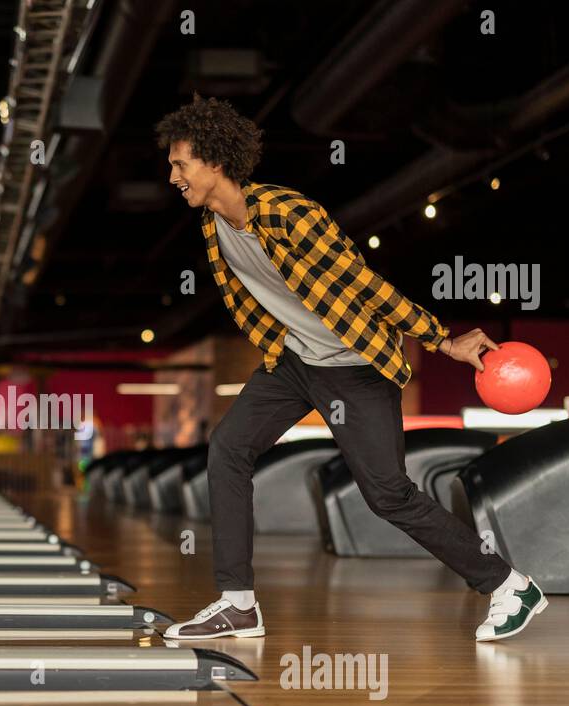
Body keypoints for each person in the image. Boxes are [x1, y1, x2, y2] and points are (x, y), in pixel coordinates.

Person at [154, 94, 547, 643]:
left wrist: (440, 340)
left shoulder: (288, 213)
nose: (173, 175)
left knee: (387, 493)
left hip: (354, 364)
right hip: (293, 360)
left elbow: (363, 284)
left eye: (180, 163)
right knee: (228, 449)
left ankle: (509, 585)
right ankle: (238, 603)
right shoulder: (212, 227)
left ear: (215, 162)